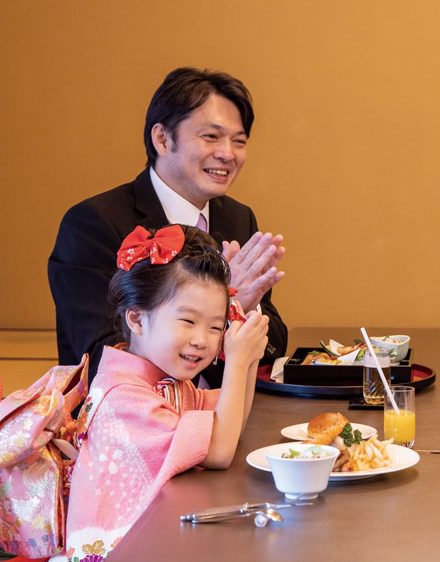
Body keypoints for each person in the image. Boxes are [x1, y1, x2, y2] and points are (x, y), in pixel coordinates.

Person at [0, 225, 267, 562]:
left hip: (146, 549)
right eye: (187, 321)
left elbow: (229, 419)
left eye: (216, 327)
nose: (203, 341)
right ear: (136, 319)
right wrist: (237, 361)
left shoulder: (161, 380)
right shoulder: (125, 397)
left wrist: (248, 356)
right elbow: (221, 451)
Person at [48, 66, 287, 387]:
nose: (227, 154)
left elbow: (274, 345)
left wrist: (245, 309)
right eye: (211, 136)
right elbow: (100, 357)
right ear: (161, 138)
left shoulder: (238, 218)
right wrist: (227, 307)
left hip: (221, 414)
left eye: (239, 141)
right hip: (123, 424)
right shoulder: (94, 224)